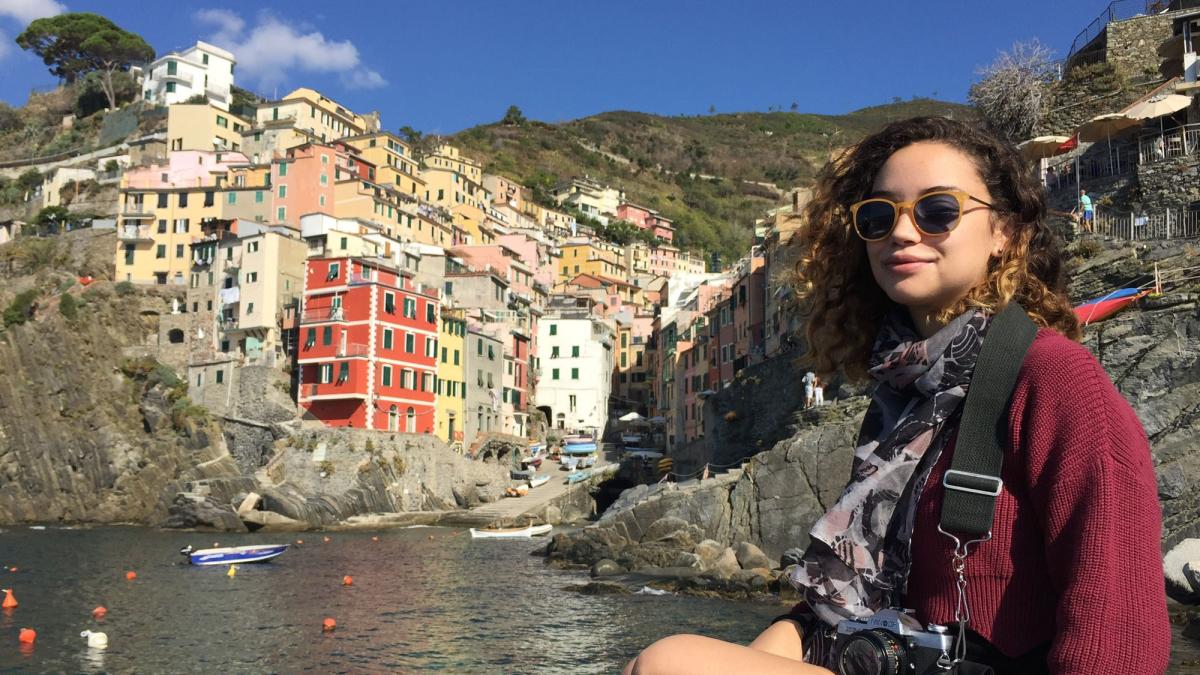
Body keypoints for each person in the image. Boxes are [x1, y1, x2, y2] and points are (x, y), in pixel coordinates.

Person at [622, 116, 1169, 675]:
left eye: (938, 210)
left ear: (1004, 231)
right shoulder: (905, 399)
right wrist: (780, 638)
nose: (903, 234)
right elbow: (856, 598)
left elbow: (1121, 632)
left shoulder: (1056, 379)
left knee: (671, 663)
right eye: (880, 217)